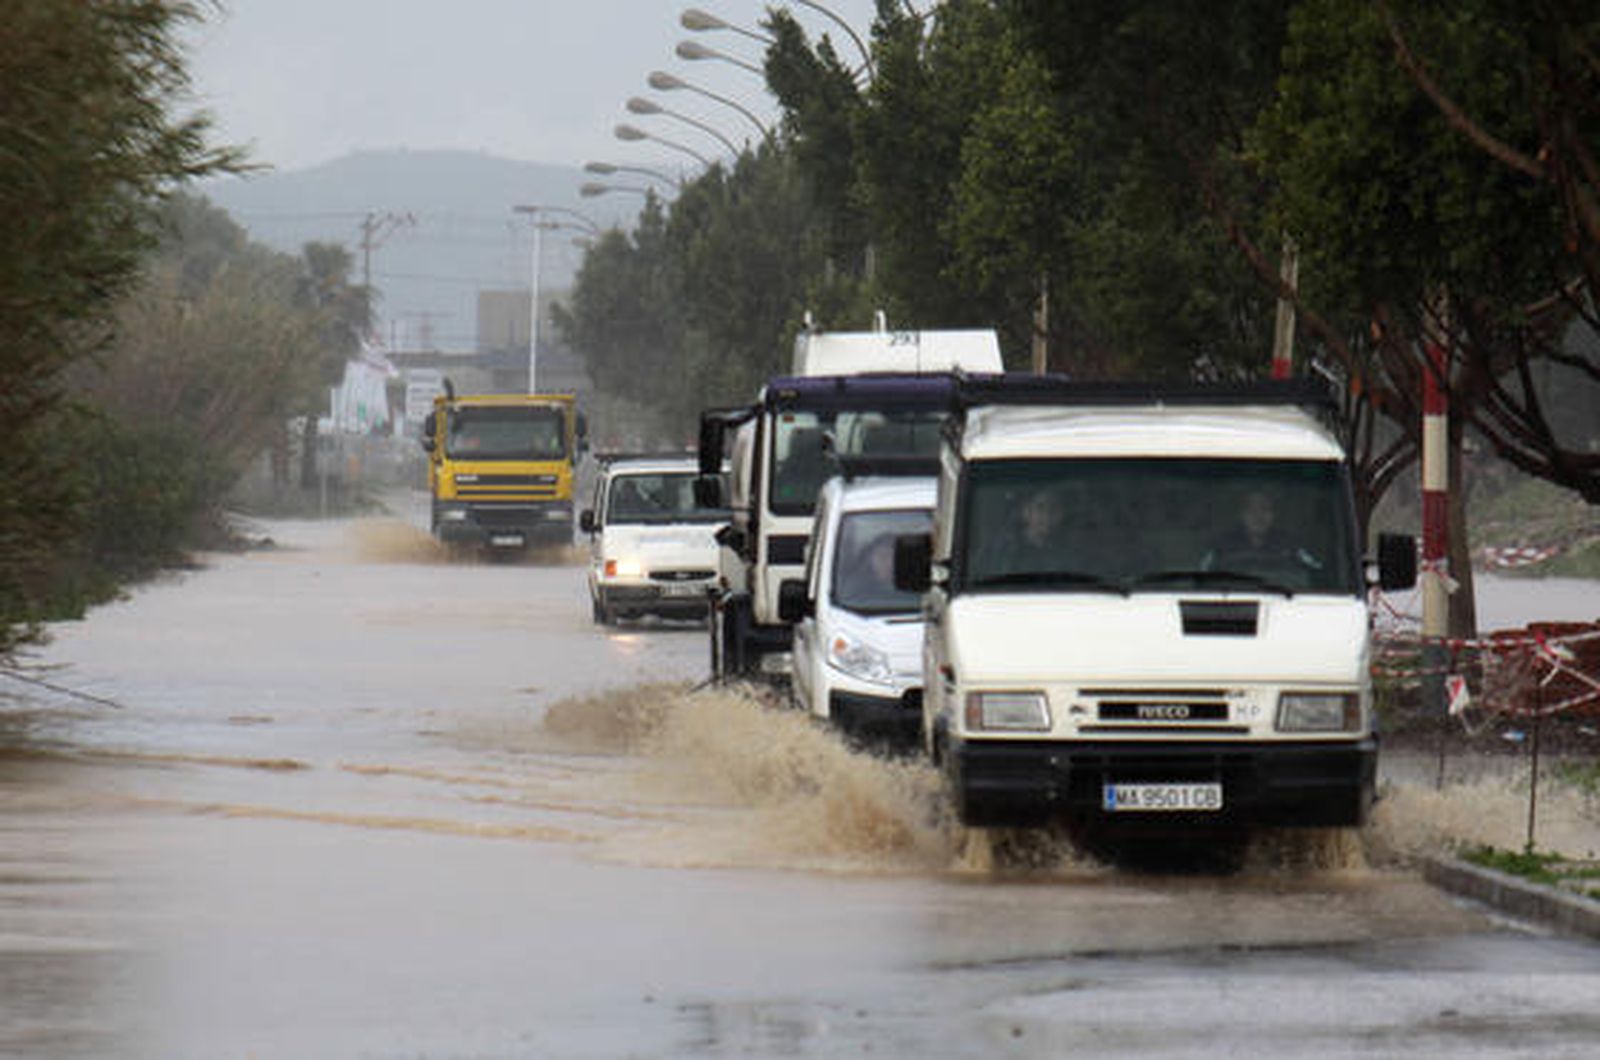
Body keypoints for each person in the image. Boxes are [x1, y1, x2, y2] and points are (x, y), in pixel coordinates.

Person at [1202, 489, 1322, 573]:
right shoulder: (1222, 546)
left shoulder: (1291, 546)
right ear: (1241, 514)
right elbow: (1202, 573)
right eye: (1251, 509)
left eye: (1264, 509)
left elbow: (1315, 569)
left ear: (1274, 515)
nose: (1258, 516)